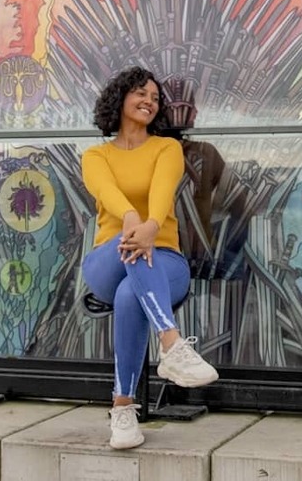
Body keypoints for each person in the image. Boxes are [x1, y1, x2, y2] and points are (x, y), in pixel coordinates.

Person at [81, 66, 219, 450]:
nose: (149, 101)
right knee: (131, 250)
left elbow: (162, 193)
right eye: (141, 94)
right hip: (107, 259)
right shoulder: (95, 155)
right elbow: (106, 192)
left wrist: (152, 224)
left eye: (155, 98)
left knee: (130, 295)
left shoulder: (167, 148)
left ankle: (122, 409)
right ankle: (171, 343)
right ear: (121, 98)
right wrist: (132, 222)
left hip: (164, 260)